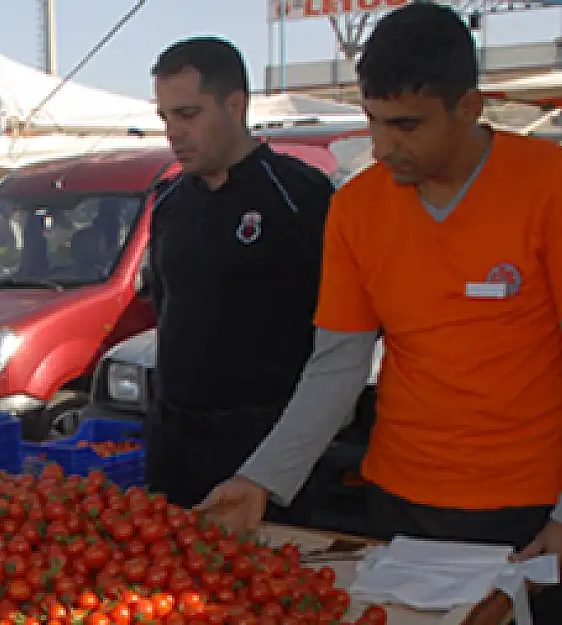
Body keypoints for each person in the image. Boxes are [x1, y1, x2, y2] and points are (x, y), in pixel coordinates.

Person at [195, 4, 562, 620]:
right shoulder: (357, 207)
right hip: (398, 500)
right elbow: (337, 364)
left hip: (524, 506)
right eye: (374, 120)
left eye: (408, 125)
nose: (385, 145)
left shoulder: (547, 186)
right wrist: (261, 478)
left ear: (469, 108)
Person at [144, 37, 334, 511]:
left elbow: (342, 332)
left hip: (266, 444)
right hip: (176, 442)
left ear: (235, 104)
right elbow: (166, 307)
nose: (175, 133)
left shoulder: (300, 196)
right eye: (165, 117)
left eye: (188, 115)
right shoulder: (167, 201)